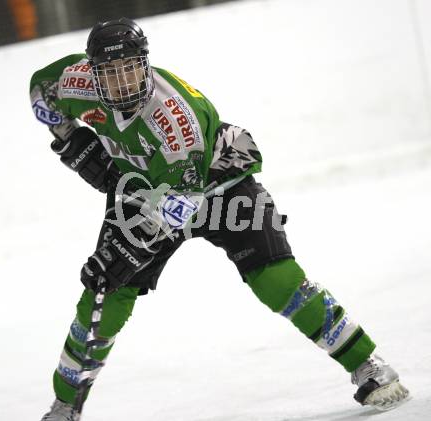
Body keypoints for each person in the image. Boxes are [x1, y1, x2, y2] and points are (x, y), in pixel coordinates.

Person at [30, 18, 409, 421]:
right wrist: (69, 137)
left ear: (146, 64)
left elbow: (178, 205)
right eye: (111, 73)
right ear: (92, 73)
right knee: (104, 297)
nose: (123, 83)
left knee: (276, 279)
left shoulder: (176, 122)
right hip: (144, 186)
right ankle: (64, 405)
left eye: (131, 69)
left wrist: (124, 250)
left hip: (215, 185)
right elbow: (40, 89)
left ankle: (370, 366)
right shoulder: (74, 82)